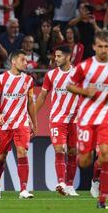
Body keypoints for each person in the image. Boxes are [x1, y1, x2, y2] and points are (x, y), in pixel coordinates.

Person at [67, 30, 108, 209]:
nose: (103, 49)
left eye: (106, 46)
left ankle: (102, 200)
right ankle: (93, 179)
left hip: (107, 117)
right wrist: (85, 91)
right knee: (84, 161)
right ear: (94, 47)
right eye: (100, 46)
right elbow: (69, 85)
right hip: (86, 117)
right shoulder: (84, 67)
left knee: (107, 156)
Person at [0, 49, 37, 199]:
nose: (26, 63)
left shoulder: (28, 80)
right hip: (4, 123)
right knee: (1, 156)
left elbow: (31, 103)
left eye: (27, 60)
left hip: (21, 122)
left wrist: (34, 124)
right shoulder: (1, 79)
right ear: (14, 61)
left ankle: (23, 189)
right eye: (23, 60)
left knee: (22, 152)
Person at [36, 45, 79, 196]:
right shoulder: (51, 75)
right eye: (55, 56)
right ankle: (61, 182)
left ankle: (70, 185)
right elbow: (42, 95)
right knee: (59, 149)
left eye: (59, 56)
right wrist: (32, 113)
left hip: (75, 119)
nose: (56, 59)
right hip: (57, 118)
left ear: (68, 57)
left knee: (73, 152)